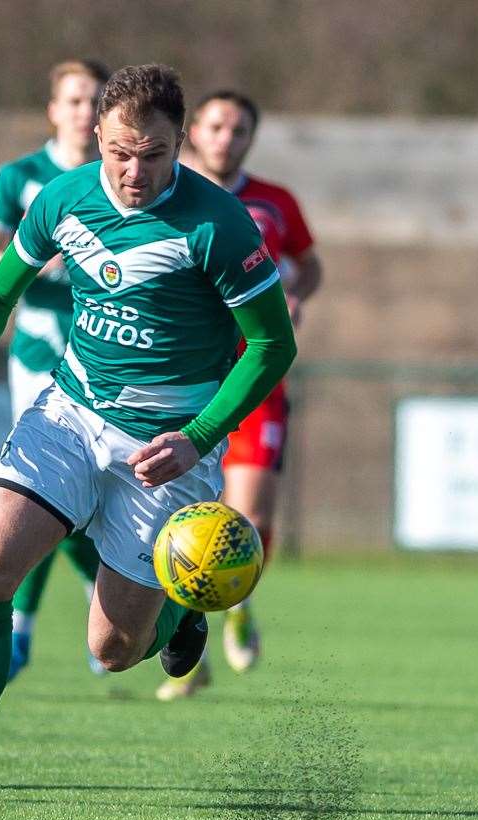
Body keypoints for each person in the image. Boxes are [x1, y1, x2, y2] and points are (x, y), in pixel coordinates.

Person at [0, 65, 297, 820]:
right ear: (95, 139)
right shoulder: (62, 198)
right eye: (120, 154)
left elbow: (272, 345)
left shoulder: (217, 225)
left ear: (180, 145)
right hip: (69, 415)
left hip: (167, 444)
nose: (135, 173)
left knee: (111, 650)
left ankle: (180, 617)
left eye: (155, 155)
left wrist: (201, 436)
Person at [156, 90, 324, 701]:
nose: (227, 138)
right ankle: (187, 644)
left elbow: (309, 265)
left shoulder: (275, 203)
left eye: (240, 129)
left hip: (255, 380)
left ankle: (238, 602)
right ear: (194, 131)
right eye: (217, 125)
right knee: (171, 519)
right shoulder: (167, 196)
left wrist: (297, 292)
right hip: (192, 378)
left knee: (249, 517)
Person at [0, 59, 109, 680]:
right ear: (53, 109)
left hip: (112, 366)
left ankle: (112, 603)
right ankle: (22, 629)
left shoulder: (124, 181)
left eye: (97, 101)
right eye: (74, 100)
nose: (85, 111)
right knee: (40, 491)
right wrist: (39, 263)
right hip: (42, 360)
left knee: (93, 501)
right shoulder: (24, 178)